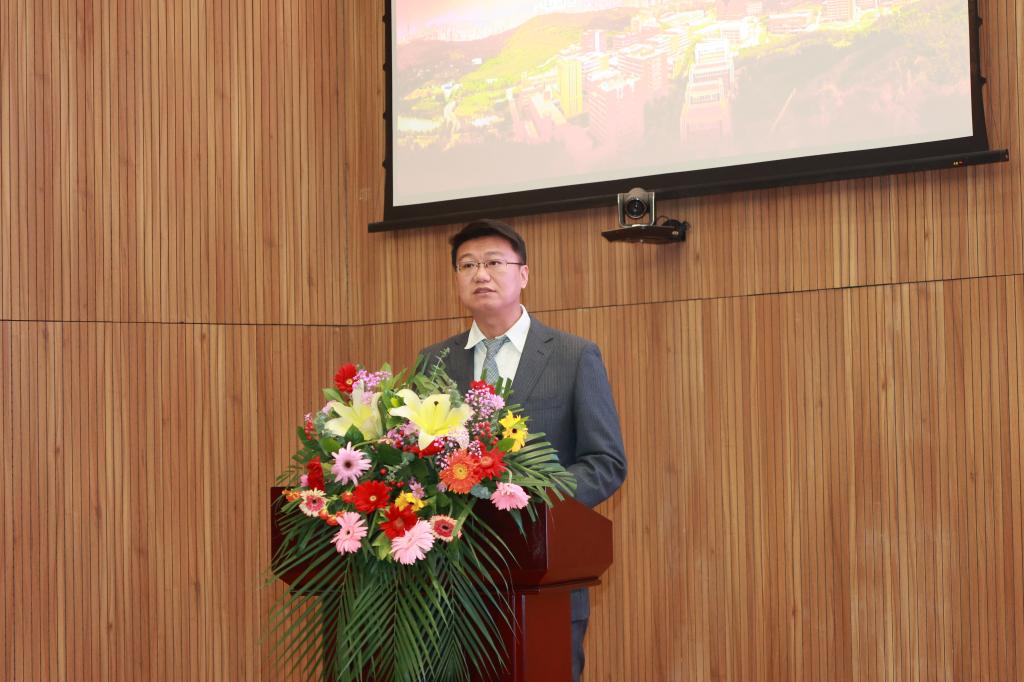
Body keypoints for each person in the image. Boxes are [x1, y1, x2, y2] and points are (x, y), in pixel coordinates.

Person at [418, 218, 627, 682]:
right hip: (450, 587)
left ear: (524, 274)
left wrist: (530, 501)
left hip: (541, 580)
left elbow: (605, 462)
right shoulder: (433, 362)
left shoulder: (573, 356)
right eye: (467, 265)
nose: (480, 274)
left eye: (494, 262)